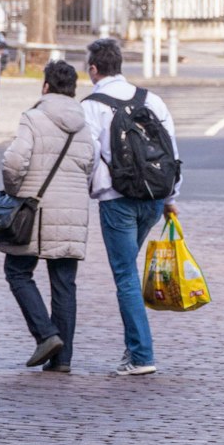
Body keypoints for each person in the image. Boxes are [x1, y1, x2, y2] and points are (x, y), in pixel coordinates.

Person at [82, 36, 181, 377]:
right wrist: (170, 198)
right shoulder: (151, 99)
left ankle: (141, 355)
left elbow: (90, 157)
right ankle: (133, 349)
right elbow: (172, 152)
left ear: (94, 69)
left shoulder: (91, 106)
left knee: (125, 275)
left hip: (118, 200)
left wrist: (94, 190)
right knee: (128, 271)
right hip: (153, 200)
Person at [0, 60, 95, 373]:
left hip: (34, 211)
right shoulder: (84, 125)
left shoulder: (33, 117)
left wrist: (14, 191)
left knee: (17, 270)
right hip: (72, 213)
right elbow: (90, 165)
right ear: (73, 90)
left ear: (46, 86)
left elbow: (14, 162)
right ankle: (62, 360)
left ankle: (46, 334)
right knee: (64, 283)